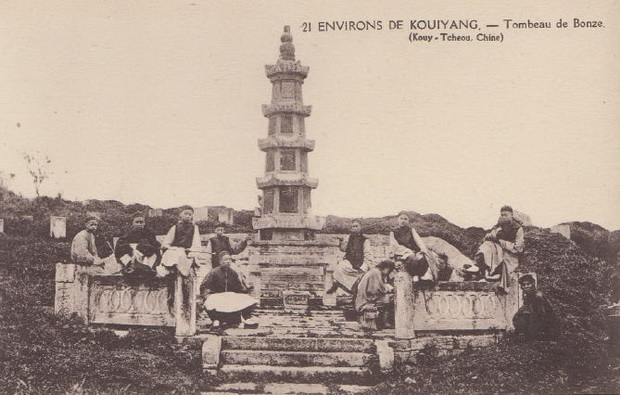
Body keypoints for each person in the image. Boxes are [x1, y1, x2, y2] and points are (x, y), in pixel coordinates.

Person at [467, 205, 525, 291]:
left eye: (505, 215)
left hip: (511, 255)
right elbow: (490, 236)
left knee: (496, 251)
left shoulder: (518, 229)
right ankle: (479, 266)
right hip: (498, 251)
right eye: (502, 215)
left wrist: (501, 242)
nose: (503, 217)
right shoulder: (499, 227)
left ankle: (492, 272)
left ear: (511, 215)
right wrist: (489, 236)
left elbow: (518, 248)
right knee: (487, 244)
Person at [200, 252, 258, 329]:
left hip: (230, 297)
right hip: (217, 296)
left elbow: (238, 287)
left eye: (229, 259)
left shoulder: (233, 273)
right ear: (220, 261)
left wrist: (246, 291)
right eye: (225, 259)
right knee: (210, 301)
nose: (228, 261)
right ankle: (216, 319)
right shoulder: (213, 272)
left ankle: (247, 318)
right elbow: (204, 286)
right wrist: (206, 296)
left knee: (248, 300)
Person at [389, 211, 440, 284]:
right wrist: (407, 251)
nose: (403, 221)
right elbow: (394, 245)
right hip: (401, 252)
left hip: (414, 251)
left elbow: (418, 241)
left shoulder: (411, 230)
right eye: (401, 218)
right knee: (411, 257)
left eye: (405, 219)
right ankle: (415, 275)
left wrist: (422, 249)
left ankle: (422, 276)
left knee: (424, 257)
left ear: (408, 221)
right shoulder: (393, 232)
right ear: (398, 219)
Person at [329, 219, 374, 294]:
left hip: (360, 263)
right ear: (351, 228)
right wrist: (341, 242)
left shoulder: (365, 240)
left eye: (357, 226)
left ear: (360, 227)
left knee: (362, 276)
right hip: (349, 262)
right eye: (353, 227)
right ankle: (336, 285)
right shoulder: (348, 237)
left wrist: (365, 266)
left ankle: (355, 291)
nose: (355, 228)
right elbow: (343, 249)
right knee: (339, 267)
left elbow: (368, 254)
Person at [115, 212, 162, 280]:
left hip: (145, 253)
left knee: (153, 254)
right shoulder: (127, 231)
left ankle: (146, 268)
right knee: (123, 253)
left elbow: (155, 244)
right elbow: (120, 243)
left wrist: (143, 247)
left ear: (144, 223)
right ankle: (131, 268)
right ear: (133, 223)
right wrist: (131, 250)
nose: (139, 224)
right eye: (137, 222)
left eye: (141, 222)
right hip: (130, 252)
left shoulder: (149, 232)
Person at [513, 274, 560, 340]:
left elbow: (544, 314)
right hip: (536, 322)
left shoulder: (538, 296)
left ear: (533, 284)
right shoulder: (528, 296)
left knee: (523, 313)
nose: (526, 286)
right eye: (524, 285)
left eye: (528, 284)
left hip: (546, 325)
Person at [160, 205, 202, 277]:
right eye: (185, 214)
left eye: (190, 214)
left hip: (187, 251)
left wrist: (191, 250)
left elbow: (196, 243)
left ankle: (182, 273)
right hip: (175, 250)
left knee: (181, 256)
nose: (188, 216)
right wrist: (166, 247)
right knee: (173, 253)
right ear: (180, 214)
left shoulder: (194, 228)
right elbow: (167, 241)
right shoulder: (175, 227)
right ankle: (169, 270)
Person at [355, 259, 396, 329]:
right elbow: (374, 291)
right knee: (393, 298)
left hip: (367, 297)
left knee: (390, 297)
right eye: (390, 270)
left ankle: (385, 321)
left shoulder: (375, 272)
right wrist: (387, 290)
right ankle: (385, 321)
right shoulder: (376, 273)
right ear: (386, 268)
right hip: (366, 299)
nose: (389, 273)